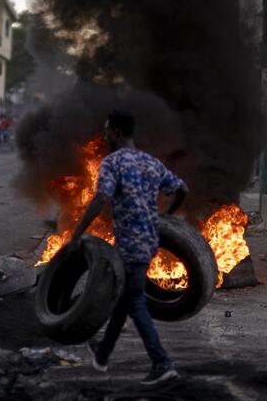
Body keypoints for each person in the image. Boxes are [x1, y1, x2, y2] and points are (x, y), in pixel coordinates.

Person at [69, 110, 189, 386]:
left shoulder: (113, 163)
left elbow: (101, 198)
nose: (104, 135)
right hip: (149, 241)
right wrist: (166, 216)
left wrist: (78, 232)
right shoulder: (151, 163)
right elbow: (182, 189)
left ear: (118, 132)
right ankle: (102, 353)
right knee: (124, 299)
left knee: (134, 301)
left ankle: (162, 362)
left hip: (130, 244)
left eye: (107, 130)